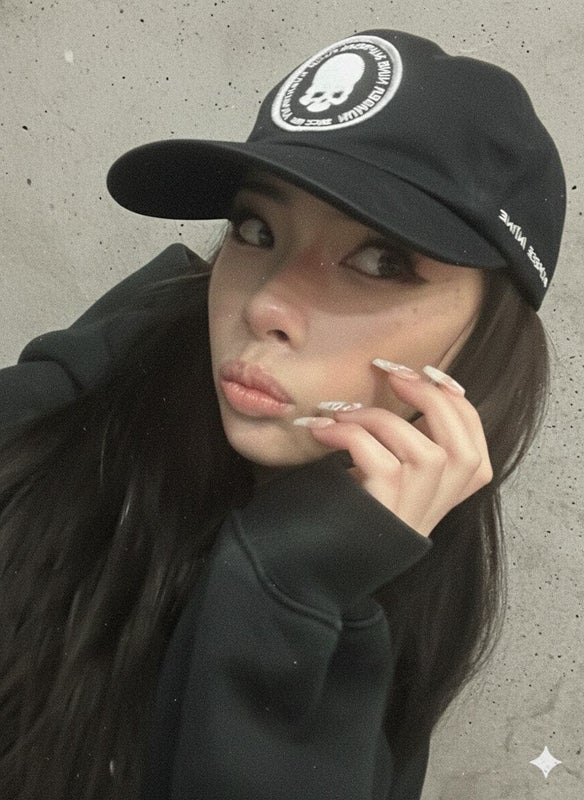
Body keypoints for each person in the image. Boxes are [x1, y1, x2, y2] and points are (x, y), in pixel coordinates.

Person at [0, 28, 565, 800]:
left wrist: (291, 593)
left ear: (486, 338)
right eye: (256, 229)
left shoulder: (412, 597)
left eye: (381, 261)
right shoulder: (79, 416)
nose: (265, 305)